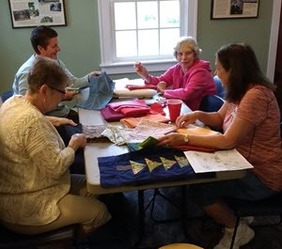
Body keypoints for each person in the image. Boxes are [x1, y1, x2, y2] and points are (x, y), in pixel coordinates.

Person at [157, 43, 282, 249]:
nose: (216, 73)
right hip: (241, 162)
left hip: (261, 175)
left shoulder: (256, 96)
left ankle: (238, 230)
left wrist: (185, 139)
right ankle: (233, 218)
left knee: (200, 188)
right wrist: (197, 115)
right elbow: (218, 118)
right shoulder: (239, 90)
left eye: (219, 69)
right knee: (195, 171)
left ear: (233, 70)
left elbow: (227, 141)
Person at [0, 56, 111, 236]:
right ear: (44, 90)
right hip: (27, 205)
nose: (62, 98)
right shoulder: (32, 121)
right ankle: (64, 240)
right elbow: (56, 168)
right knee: (99, 211)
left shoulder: (13, 101)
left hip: (23, 187)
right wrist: (73, 145)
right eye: (60, 93)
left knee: (94, 186)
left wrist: (51, 119)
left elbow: (23, 123)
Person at [12, 25, 101, 122]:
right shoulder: (27, 72)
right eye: (54, 46)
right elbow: (28, 109)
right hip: (46, 120)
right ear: (41, 48)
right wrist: (63, 97)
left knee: (96, 118)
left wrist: (89, 77)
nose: (59, 49)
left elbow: (72, 83)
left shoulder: (55, 62)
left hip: (62, 112)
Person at [134, 36, 217, 111]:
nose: (184, 58)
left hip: (201, 115)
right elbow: (160, 81)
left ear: (195, 54)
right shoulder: (178, 68)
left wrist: (164, 91)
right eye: (180, 54)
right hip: (186, 109)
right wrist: (146, 76)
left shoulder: (201, 71)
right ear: (176, 55)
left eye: (188, 53)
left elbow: (187, 94)